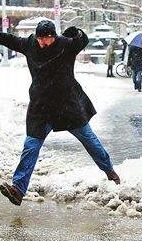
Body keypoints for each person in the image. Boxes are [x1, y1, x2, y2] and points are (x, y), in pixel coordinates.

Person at [0, 20, 120, 206]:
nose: (43, 43)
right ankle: (18, 189)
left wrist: (77, 31)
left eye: (47, 39)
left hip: (67, 106)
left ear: (54, 36)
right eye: (41, 39)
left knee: (88, 138)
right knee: (31, 146)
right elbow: (9, 39)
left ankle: (109, 171)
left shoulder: (66, 45)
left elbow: (83, 40)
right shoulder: (30, 44)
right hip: (40, 107)